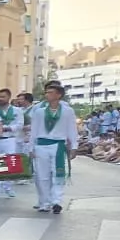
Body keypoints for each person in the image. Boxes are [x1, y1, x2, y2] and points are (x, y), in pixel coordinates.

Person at [29, 81, 78, 214]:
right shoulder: (39, 112)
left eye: (51, 93)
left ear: (59, 95)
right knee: (42, 176)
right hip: (41, 145)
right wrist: (31, 147)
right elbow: (34, 130)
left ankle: (56, 201)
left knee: (58, 174)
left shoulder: (67, 111)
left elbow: (72, 130)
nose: (47, 95)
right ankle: (44, 203)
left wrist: (74, 146)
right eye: (46, 92)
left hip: (58, 145)